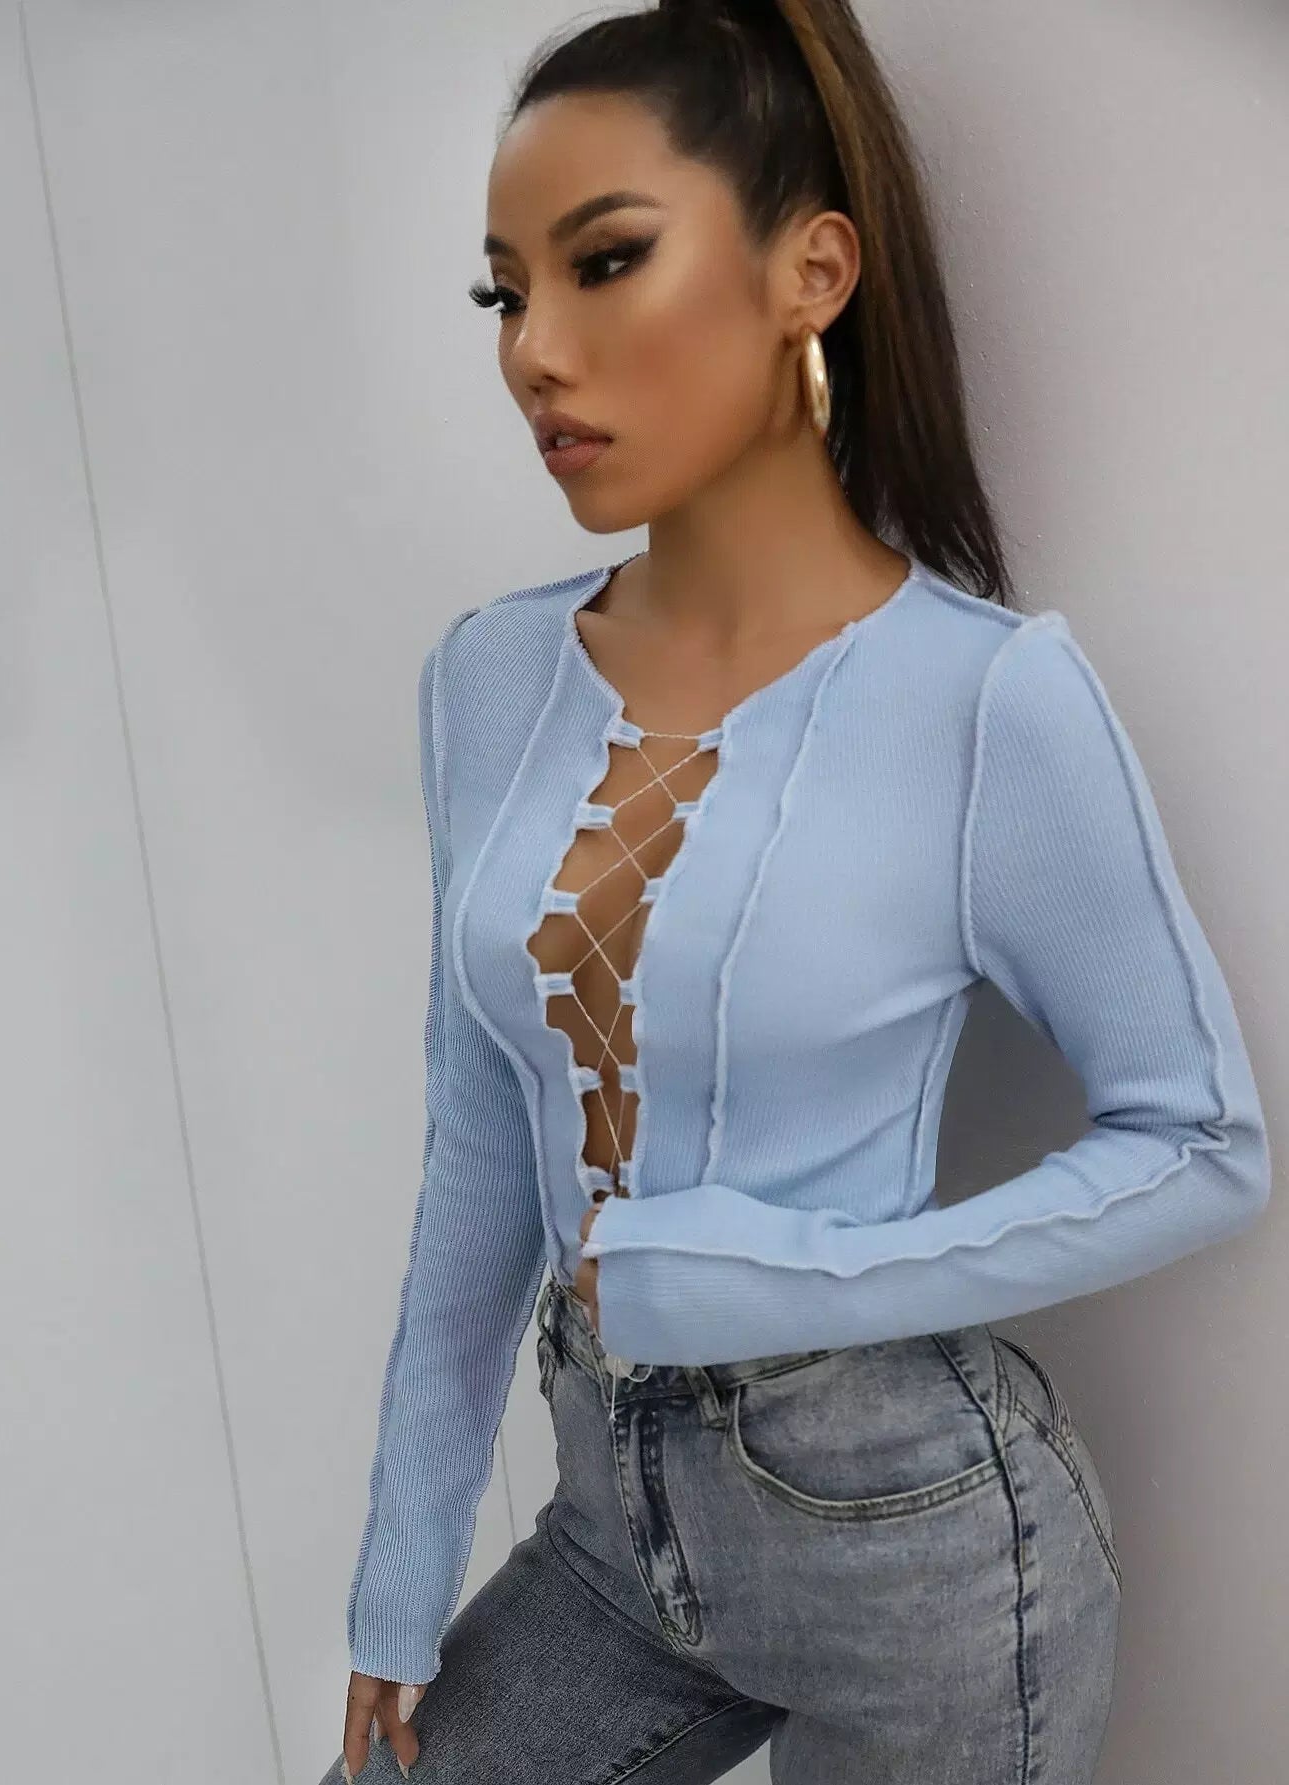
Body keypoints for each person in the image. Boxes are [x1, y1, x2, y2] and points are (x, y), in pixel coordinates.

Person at [323, 1, 1272, 1779]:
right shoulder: (488, 681)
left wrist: (788, 1275)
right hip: (608, 1531)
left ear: (809, 273)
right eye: (504, 294)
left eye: (606, 260)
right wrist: (400, 1573)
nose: (536, 352)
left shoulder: (985, 699)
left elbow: (1205, 1141)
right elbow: (479, 1151)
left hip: (910, 1544)